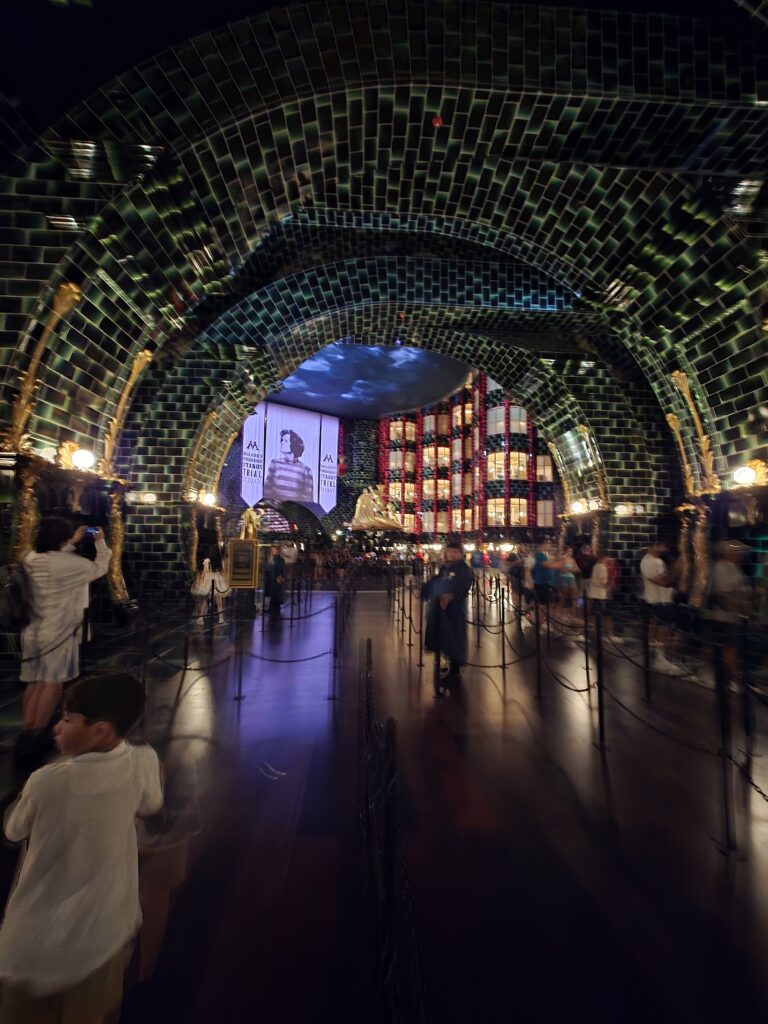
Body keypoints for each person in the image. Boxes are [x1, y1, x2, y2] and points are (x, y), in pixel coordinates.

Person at [0, 672, 163, 1024]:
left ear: (101, 729)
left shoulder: (46, 781)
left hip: (38, 943)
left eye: (67, 719)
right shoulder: (144, 760)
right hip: (106, 932)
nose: (57, 727)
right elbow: (151, 804)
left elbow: (14, 830)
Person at [19, 517, 111, 742]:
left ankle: (26, 731)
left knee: (34, 683)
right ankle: (38, 734)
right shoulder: (72, 564)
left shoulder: (29, 559)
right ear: (64, 537)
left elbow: (53, 557)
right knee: (52, 684)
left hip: (31, 630)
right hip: (58, 632)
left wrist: (69, 542)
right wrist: (100, 542)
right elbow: (100, 567)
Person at [423, 540, 474, 687]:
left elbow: (464, 586)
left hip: (454, 610)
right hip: (441, 610)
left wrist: (451, 596)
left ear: (461, 553)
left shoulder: (464, 569)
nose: (452, 554)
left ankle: (455, 671)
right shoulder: (445, 567)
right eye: (450, 551)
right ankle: (449, 665)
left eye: (455, 552)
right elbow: (436, 581)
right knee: (445, 638)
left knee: (455, 639)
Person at [640, 541, 685, 675]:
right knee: (663, 629)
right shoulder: (651, 562)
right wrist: (676, 569)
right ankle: (660, 660)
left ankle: (660, 658)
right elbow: (664, 582)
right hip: (660, 601)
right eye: (662, 546)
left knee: (661, 629)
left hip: (659, 600)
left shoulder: (655, 561)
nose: (665, 548)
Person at [263, 429, 314, 503]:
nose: (282, 443)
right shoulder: (275, 463)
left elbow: (308, 498)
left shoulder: (305, 469)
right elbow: (267, 491)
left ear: (294, 445)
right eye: (281, 440)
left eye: (286, 441)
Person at [191, 545, 229, 623]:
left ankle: (201, 618)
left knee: (206, 599)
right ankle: (220, 618)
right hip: (216, 579)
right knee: (218, 599)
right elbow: (221, 570)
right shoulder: (218, 560)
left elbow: (205, 572)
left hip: (208, 579)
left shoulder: (207, 560)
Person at [531, 540, 560, 623]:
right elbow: (547, 565)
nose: (550, 545)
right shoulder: (539, 555)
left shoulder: (545, 555)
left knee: (548, 602)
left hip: (547, 582)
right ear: (542, 545)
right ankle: (541, 621)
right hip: (542, 582)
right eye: (548, 543)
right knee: (542, 603)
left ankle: (545, 619)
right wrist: (559, 564)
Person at [264, 544, 286, 616]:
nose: (272, 551)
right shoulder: (271, 559)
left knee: (276, 594)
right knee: (271, 594)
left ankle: (274, 609)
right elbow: (268, 568)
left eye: (274, 550)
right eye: (272, 550)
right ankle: (272, 608)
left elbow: (281, 569)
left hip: (276, 579)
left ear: (278, 550)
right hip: (270, 579)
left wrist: (281, 576)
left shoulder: (280, 559)